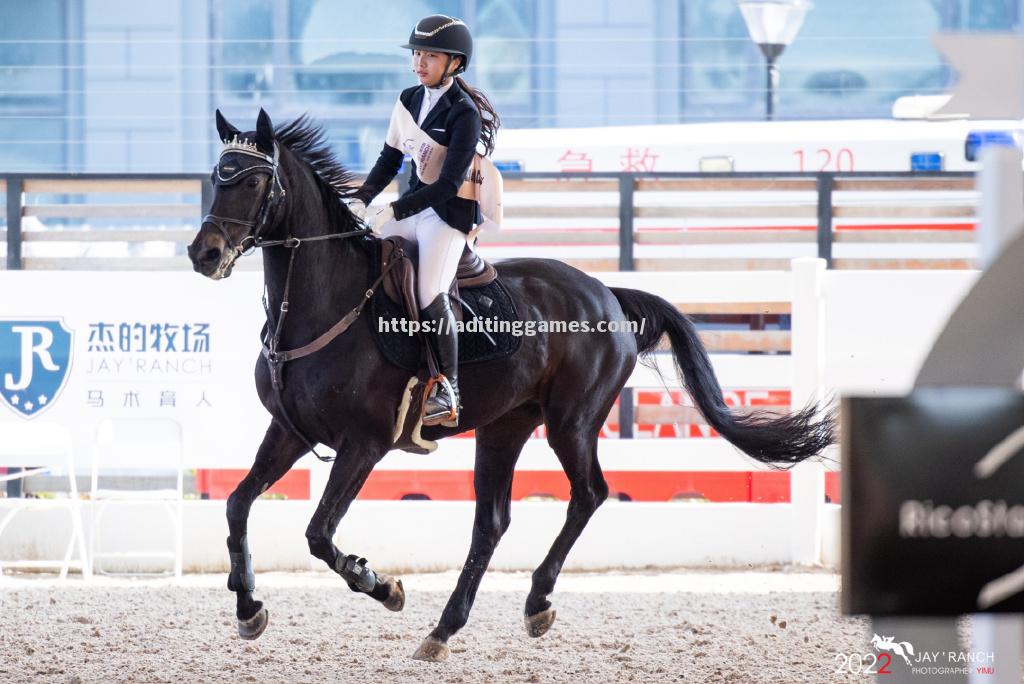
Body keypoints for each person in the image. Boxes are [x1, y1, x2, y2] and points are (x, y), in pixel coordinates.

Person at [349, 14, 501, 427]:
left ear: (454, 63)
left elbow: (449, 184)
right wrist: (362, 199)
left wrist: (394, 210)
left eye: (430, 56)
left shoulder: (463, 113)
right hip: (412, 208)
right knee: (358, 248)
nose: (419, 62)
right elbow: (389, 159)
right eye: (417, 54)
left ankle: (447, 385)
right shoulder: (408, 98)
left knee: (429, 288)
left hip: (446, 218)